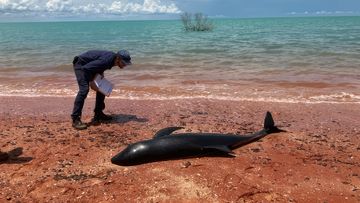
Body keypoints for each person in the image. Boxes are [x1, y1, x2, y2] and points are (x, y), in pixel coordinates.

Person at [71, 50, 132, 130]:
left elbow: (98, 65)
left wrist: (100, 75)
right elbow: (86, 69)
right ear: (118, 59)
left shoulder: (112, 60)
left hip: (89, 66)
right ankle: (75, 119)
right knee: (84, 90)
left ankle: (98, 113)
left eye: (126, 64)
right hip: (81, 65)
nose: (124, 65)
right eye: (123, 63)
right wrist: (92, 81)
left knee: (102, 87)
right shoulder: (106, 61)